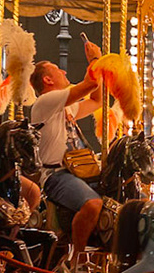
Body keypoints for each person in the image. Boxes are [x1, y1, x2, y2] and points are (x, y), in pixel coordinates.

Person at [30, 47, 105, 260]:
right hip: (57, 174)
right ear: (47, 80)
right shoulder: (45, 102)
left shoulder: (66, 108)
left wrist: (98, 67)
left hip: (79, 170)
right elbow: (89, 85)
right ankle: (78, 258)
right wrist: (95, 60)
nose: (64, 72)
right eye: (57, 70)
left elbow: (96, 100)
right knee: (93, 204)